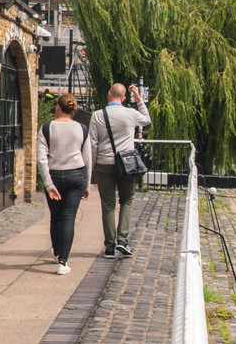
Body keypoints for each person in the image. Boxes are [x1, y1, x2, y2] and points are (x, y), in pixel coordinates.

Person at [88, 83, 151, 259]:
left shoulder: (97, 115)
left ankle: (109, 247)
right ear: (123, 99)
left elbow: (92, 143)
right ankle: (122, 240)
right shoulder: (130, 114)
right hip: (126, 164)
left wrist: (94, 166)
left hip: (104, 163)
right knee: (127, 200)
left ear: (109, 94)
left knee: (108, 205)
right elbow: (147, 119)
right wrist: (138, 99)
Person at [36, 92, 92, 275]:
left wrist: (48, 184)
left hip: (54, 174)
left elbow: (41, 159)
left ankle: (57, 251)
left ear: (58, 107)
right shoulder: (82, 129)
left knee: (56, 215)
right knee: (68, 218)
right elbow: (88, 159)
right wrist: (87, 185)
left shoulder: (46, 128)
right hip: (76, 175)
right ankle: (63, 261)